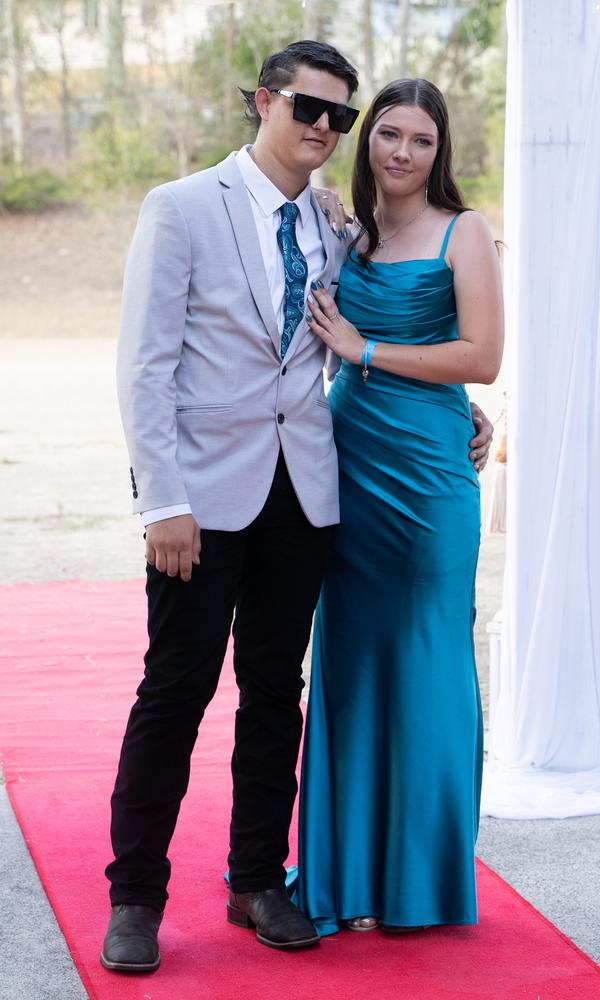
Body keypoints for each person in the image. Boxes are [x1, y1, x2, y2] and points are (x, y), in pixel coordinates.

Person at [101, 42, 494, 972]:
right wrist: (162, 499)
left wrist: (455, 407)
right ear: (263, 103)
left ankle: (255, 880)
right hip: (201, 500)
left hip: (310, 495)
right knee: (177, 692)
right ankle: (135, 898)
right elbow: (144, 366)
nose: (323, 127)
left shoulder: (332, 225)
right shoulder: (183, 206)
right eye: (306, 108)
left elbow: (389, 331)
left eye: (339, 117)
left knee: (278, 694)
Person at [297, 77, 504, 935]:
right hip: (345, 469)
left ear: (439, 149)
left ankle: (420, 881)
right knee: (349, 662)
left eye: (420, 139)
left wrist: (365, 348)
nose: (403, 153)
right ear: (366, 142)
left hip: (427, 480)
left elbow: (482, 355)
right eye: (388, 135)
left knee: (426, 661)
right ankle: (345, 875)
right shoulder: (346, 233)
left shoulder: (465, 231)